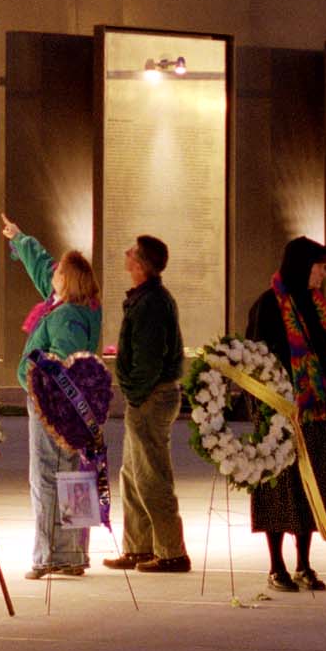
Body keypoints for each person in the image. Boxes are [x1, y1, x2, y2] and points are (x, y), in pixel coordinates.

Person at [247, 236, 326, 592]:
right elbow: (257, 359)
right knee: (279, 488)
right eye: (320, 266)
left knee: (314, 487)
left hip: (316, 414)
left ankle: (304, 564)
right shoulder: (269, 306)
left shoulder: (317, 305)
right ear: (302, 265)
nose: (324, 274)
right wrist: (277, 403)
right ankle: (276, 565)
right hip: (279, 415)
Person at [1, 213, 104, 579]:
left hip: (54, 409)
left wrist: (34, 372)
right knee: (74, 476)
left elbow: (61, 365)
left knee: (48, 476)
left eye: (60, 272)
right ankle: (72, 554)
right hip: (70, 409)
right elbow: (42, 268)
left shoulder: (66, 319)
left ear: (68, 282)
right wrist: (20, 237)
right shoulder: (72, 306)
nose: (53, 273)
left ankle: (49, 556)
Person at [104, 234, 190, 573]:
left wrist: (133, 391)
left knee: (152, 475)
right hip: (147, 396)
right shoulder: (146, 298)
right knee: (133, 474)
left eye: (130, 252)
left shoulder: (152, 303)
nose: (125, 254)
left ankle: (171, 551)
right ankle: (139, 546)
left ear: (140, 265)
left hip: (151, 397)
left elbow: (149, 361)